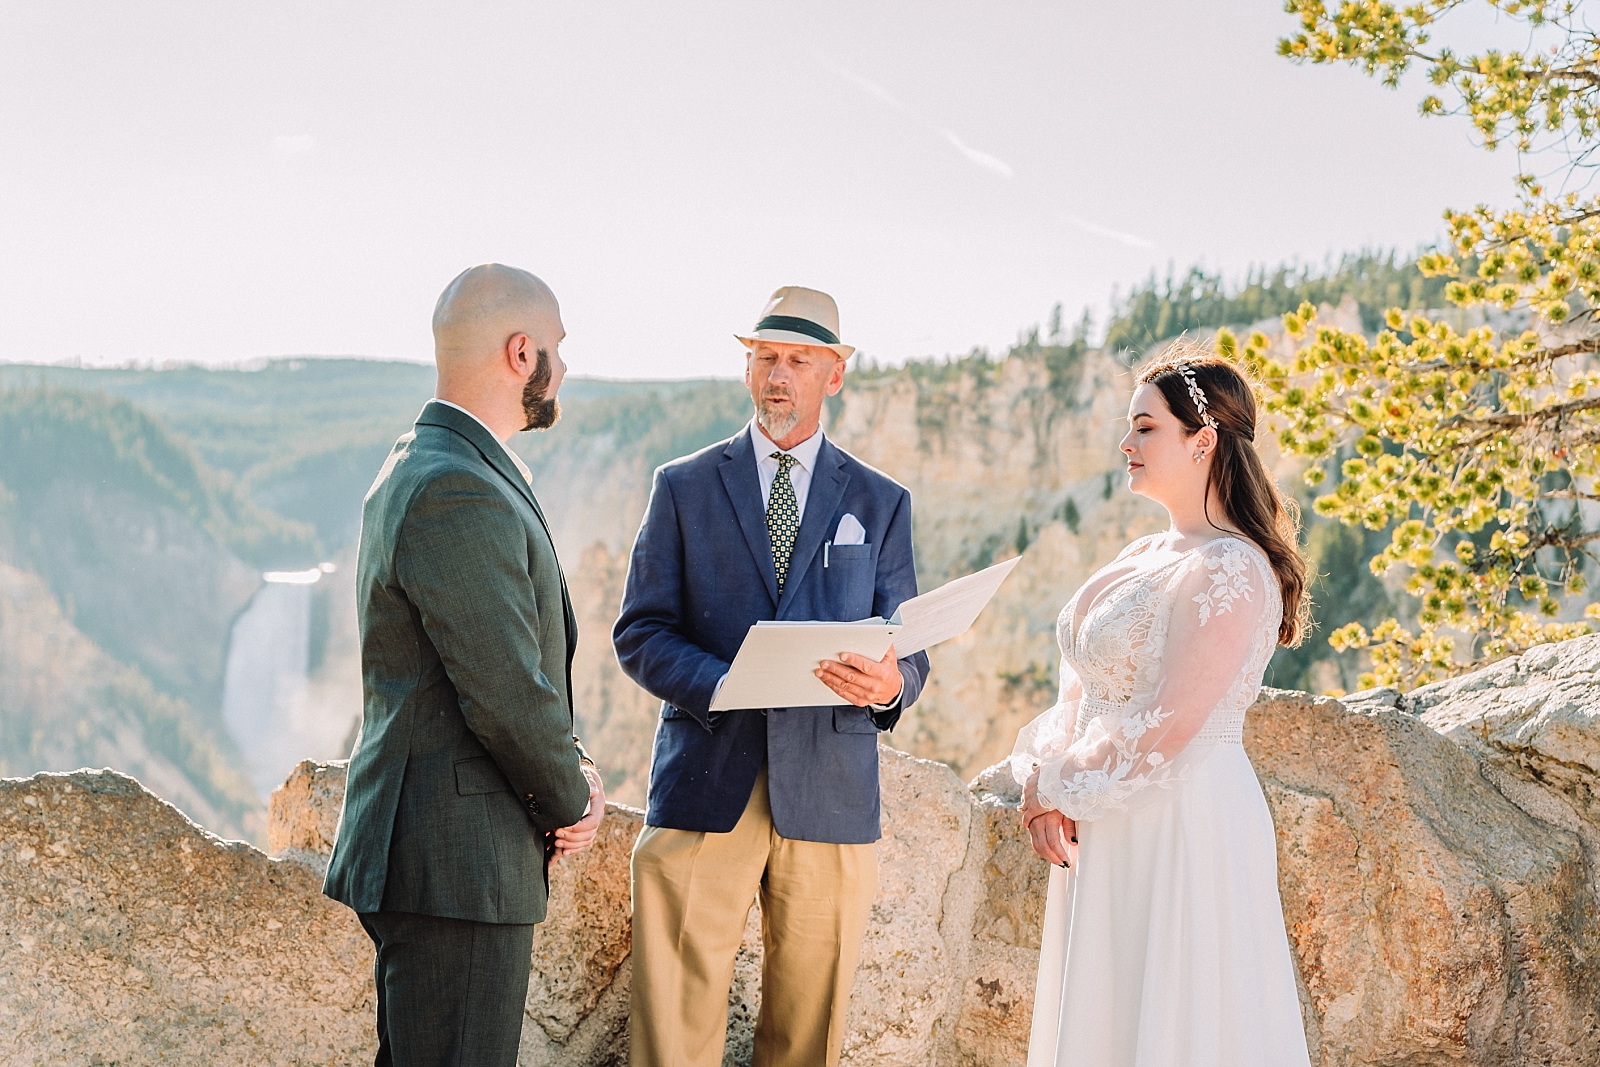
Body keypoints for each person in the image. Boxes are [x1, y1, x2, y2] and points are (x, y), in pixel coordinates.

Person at [613, 286, 931, 1067]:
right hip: (705, 780)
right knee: (672, 1031)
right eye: (763, 358)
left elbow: (911, 647)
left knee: (807, 1032)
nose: (777, 376)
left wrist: (889, 685)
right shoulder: (682, 485)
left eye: (797, 359)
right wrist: (723, 683)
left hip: (829, 788)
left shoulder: (880, 501)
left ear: (835, 375)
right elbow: (640, 631)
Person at [324, 264, 607, 1067]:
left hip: (440, 857)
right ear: (522, 353)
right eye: (557, 346)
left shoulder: (431, 459)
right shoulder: (457, 485)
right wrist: (569, 795)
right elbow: (506, 691)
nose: (564, 366)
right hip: (458, 862)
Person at [1011, 342, 1313, 1067]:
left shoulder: (1232, 567)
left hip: (1185, 818)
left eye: (1145, 427)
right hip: (1107, 818)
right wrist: (1050, 772)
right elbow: (1080, 681)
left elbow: (1169, 723)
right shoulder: (1144, 552)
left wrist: (1052, 786)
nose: (1127, 442)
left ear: (1202, 441)